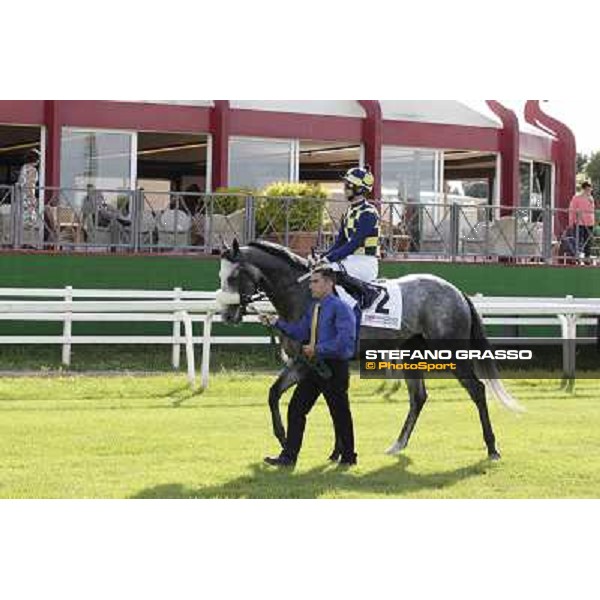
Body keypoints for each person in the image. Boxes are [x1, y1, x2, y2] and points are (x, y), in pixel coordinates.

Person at [260, 267, 358, 468]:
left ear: (329, 284)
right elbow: (299, 331)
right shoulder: (314, 308)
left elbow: (346, 342)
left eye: (315, 281)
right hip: (314, 367)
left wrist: (318, 348)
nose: (310, 285)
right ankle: (289, 457)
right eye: (311, 281)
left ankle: (349, 457)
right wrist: (276, 322)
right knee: (296, 409)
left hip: (334, 368)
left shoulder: (342, 308)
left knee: (340, 413)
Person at [314, 166, 382, 310]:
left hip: (366, 263)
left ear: (359, 189)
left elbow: (354, 244)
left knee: (329, 271)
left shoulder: (368, 213)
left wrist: (329, 259)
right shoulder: (349, 212)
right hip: (351, 261)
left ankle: (357, 305)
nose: (345, 189)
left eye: (348, 185)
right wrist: (322, 256)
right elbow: (340, 242)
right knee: (320, 269)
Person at [568, 182, 595, 258]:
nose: (588, 191)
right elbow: (572, 210)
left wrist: (593, 221)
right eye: (587, 189)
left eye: (590, 190)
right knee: (578, 241)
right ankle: (577, 256)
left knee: (588, 241)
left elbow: (592, 211)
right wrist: (571, 222)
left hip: (589, 223)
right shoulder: (576, 197)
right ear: (583, 189)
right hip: (579, 222)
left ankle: (587, 257)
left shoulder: (591, 198)